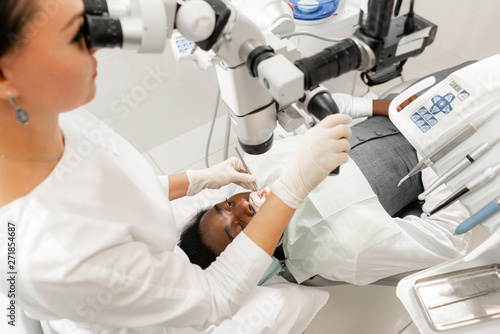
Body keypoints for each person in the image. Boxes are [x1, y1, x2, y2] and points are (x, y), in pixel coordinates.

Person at [0, 1, 352, 333]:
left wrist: (201, 179)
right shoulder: (58, 255)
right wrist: (292, 187)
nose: (97, 46)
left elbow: (109, 197)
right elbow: (216, 295)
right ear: (5, 77)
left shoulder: (39, 109)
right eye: (75, 35)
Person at [178, 107, 471, 285]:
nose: (243, 205)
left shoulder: (263, 165)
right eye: (240, 230)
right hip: (462, 143)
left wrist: (379, 106)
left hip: (410, 105)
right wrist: (434, 149)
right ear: (255, 257)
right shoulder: (337, 254)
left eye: (227, 204)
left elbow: (307, 119)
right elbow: (448, 238)